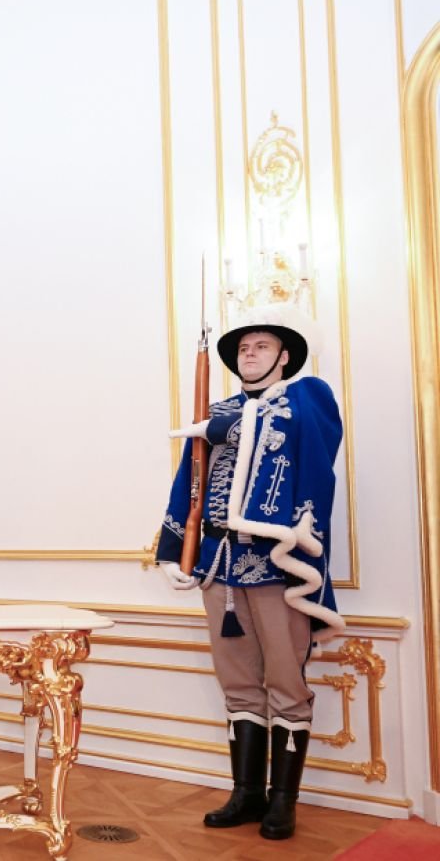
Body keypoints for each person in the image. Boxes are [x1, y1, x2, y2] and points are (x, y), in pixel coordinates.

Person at [156, 304, 344, 841]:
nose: (250, 354)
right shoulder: (217, 411)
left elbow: (310, 434)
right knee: (237, 683)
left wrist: (234, 424)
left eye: (261, 346)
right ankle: (247, 793)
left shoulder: (306, 397)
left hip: (276, 565)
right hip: (219, 565)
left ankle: (283, 801)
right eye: (243, 348)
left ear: (284, 356)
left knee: (285, 682)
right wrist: (173, 551)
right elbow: (189, 482)